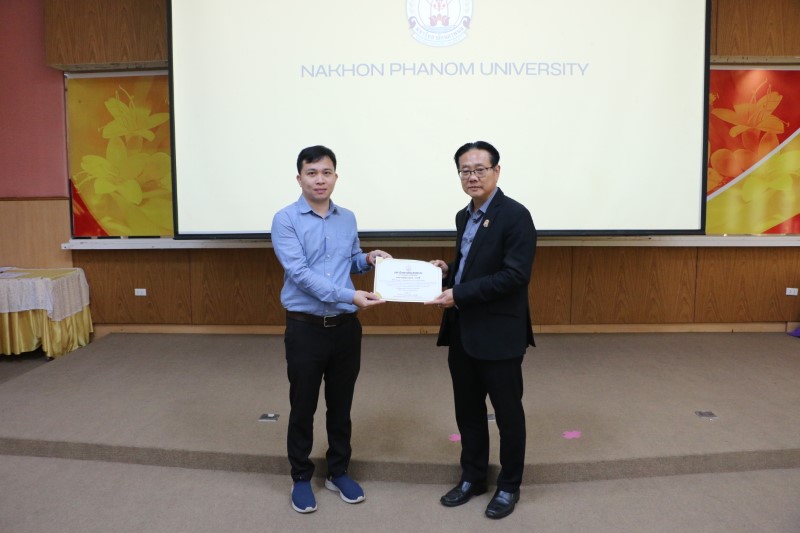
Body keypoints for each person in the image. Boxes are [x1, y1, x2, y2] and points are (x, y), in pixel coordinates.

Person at [271, 145, 391, 514]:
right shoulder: (285, 219)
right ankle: (301, 477)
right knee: (303, 406)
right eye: (312, 173)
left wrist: (368, 258)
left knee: (341, 406)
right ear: (299, 178)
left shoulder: (347, 217)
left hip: (345, 329)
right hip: (305, 328)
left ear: (335, 177)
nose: (319, 179)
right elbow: (300, 274)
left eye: (326, 172)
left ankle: (338, 471)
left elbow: (348, 260)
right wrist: (349, 295)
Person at [426, 141, 537, 520]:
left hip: (500, 334)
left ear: (496, 171)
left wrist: (459, 293)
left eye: (479, 169)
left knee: (508, 414)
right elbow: (473, 263)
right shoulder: (465, 215)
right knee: (468, 411)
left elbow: (515, 275)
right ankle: (473, 477)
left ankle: (509, 485)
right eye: (465, 171)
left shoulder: (516, 215)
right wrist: (448, 271)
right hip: (463, 331)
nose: (472, 176)